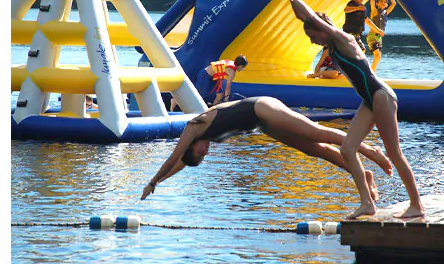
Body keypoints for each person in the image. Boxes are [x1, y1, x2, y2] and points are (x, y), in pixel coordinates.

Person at [269, 0, 424, 219]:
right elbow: (305, 18)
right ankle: (367, 203)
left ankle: (416, 204)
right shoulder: (331, 47)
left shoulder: (344, 40)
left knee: (394, 152)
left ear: (322, 30)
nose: (311, 40)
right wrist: (290, 1)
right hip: (369, 100)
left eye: (312, 35)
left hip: (381, 96)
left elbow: (310, 17)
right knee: (348, 149)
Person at [141, 97, 393, 201]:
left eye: (200, 151)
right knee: (315, 149)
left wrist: (152, 181)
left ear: (191, 146)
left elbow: (174, 157)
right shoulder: (197, 144)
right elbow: (182, 163)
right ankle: (363, 175)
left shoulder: (193, 128)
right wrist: (161, 184)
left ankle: (371, 151)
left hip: (261, 108)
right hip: (263, 126)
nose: (205, 151)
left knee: (316, 132)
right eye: (203, 155)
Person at [364, 0, 397, 71]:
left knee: (378, 57)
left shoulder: (385, 12)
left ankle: (372, 70)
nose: (383, 2)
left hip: (379, 38)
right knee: (377, 55)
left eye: (385, 2)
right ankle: (372, 70)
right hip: (372, 36)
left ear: (386, 5)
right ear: (377, 4)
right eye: (380, 1)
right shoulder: (375, 11)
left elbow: (393, 3)